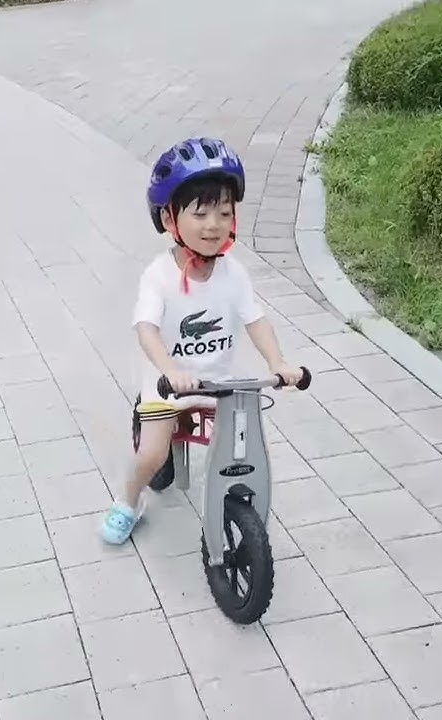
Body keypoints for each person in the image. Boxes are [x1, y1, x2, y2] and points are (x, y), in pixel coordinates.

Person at [102, 137, 302, 545]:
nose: (214, 224)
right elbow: (147, 329)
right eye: (201, 212)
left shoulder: (234, 275)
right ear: (170, 217)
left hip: (218, 385)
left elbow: (256, 320)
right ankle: (128, 501)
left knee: (245, 453)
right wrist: (170, 370)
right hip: (167, 386)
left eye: (224, 212)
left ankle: (242, 510)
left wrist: (278, 362)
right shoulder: (158, 276)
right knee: (152, 455)